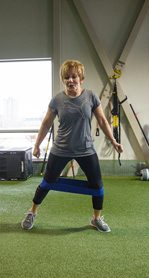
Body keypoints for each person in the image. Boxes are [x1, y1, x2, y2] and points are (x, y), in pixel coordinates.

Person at [21, 60, 123, 233]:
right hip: (60, 149)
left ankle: (96, 218)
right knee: (47, 182)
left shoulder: (90, 97)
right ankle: (32, 212)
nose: (70, 80)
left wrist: (113, 141)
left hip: (86, 149)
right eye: (66, 77)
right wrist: (37, 144)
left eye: (74, 76)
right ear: (63, 79)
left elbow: (102, 121)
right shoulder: (57, 100)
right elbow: (46, 124)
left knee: (97, 186)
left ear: (81, 78)